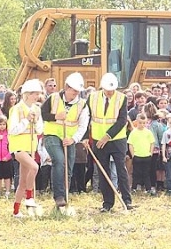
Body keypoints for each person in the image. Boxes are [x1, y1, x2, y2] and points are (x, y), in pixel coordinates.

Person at [41, 72, 90, 208]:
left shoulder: (82, 105)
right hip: (52, 135)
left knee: (68, 166)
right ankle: (59, 196)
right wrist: (56, 116)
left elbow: (83, 126)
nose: (76, 93)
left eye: (78, 91)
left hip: (69, 139)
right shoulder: (53, 98)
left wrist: (73, 139)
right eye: (73, 90)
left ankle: (65, 192)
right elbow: (43, 114)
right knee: (59, 161)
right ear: (67, 87)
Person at [88, 73, 133, 212]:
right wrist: (85, 137)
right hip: (98, 140)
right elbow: (86, 117)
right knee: (103, 171)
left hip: (117, 139)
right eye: (107, 90)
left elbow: (122, 120)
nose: (110, 92)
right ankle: (107, 202)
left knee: (121, 169)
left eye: (112, 89)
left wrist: (107, 136)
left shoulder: (122, 98)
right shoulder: (92, 97)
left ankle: (127, 200)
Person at [8, 79, 44, 218]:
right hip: (18, 146)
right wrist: (26, 120)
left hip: (31, 146)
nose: (37, 96)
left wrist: (35, 123)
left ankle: (16, 211)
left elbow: (40, 129)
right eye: (34, 94)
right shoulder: (16, 109)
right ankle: (29, 197)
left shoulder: (37, 109)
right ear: (27, 94)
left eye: (38, 94)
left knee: (23, 181)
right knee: (34, 167)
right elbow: (12, 129)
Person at [128, 113, 156, 194]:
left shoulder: (148, 132)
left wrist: (150, 153)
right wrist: (133, 155)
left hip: (146, 156)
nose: (142, 125)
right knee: (136, 173)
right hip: (137, 156)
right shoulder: (133, 132)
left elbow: (152, 143)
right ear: (137, 122)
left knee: (146, 173)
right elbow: (130, 144)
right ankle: (134, 188)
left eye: (144, 123)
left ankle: (148, 189)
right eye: (140, 123)